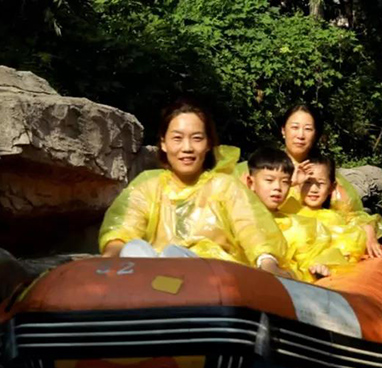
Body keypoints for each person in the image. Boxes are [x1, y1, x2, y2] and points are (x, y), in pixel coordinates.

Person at [99, 100, 290, 278]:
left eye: (197, 138)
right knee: (134, 249)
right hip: (153, 280)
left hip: (211, 279)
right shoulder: (148, 185)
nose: (187, 148)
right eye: (177, 138)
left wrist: (267, 262)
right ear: (163, 143)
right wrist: (110, 258)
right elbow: (123, 228)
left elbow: (251, 228)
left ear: (208, 144)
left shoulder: (225, 186)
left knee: (175, 256)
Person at [235, 103, 363, 213]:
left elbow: (351, 215)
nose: (300, 135)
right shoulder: (260, 166)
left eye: (308, 129)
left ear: (315, 134)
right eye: (295, 127)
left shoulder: (324, 173)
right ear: (283, 130)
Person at [245, 148, 345, 282]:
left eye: (285, 182)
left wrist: (318, 266)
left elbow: (308, 258)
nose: (277, 187)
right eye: (269, 180)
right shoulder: (240, 214)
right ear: (250, 183)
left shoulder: (297, 225)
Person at [297, 153, 382, 261]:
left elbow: (357, 220)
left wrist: (369, 233)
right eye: (307, 182)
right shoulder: (291, 208)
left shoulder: (333, 216)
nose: (314, 189)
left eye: (320, 183)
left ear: (331, 187)